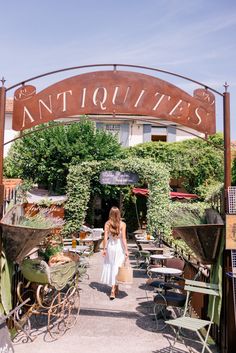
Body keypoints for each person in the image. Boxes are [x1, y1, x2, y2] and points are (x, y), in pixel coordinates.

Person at [101, 206, 129, 299]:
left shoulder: (107, 224)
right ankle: (113, 289)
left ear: (110, 214)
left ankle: (116, 286)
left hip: (110, 247)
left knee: (113, 266)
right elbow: (124, 238)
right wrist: (126, 250)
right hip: (119, 247)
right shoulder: (123, 224)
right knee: (117, 266)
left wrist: (104, 249)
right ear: (119, 214)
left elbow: (105, 238)